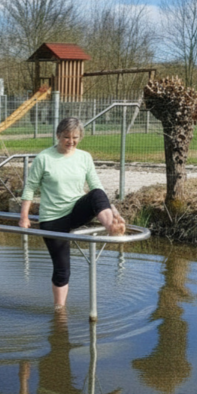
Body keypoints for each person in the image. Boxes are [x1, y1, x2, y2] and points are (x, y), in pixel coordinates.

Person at [18, 117, 126, 308]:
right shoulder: (44, 158)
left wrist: (115, 213)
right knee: (62, 270)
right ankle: (59, 310)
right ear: (58, 135)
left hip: (75, 210)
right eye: (66, 137)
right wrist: (24, 217)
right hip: (53, 218)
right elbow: (30, 188)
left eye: (75, 137)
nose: (71, 141)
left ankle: (111, 225)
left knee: (96, 194)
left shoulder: (84, 157)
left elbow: (97, 187)